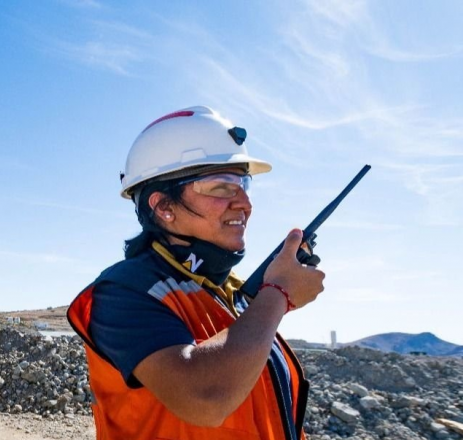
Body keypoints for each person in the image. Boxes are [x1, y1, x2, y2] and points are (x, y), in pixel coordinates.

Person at [67, 106, 325, 440]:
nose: (245, 202)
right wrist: (279, 294)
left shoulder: (233, 296)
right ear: (163, 207)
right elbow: (204, 398)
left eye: (243, 183)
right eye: (222, 186)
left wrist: (267, 296)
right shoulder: (123, 292)